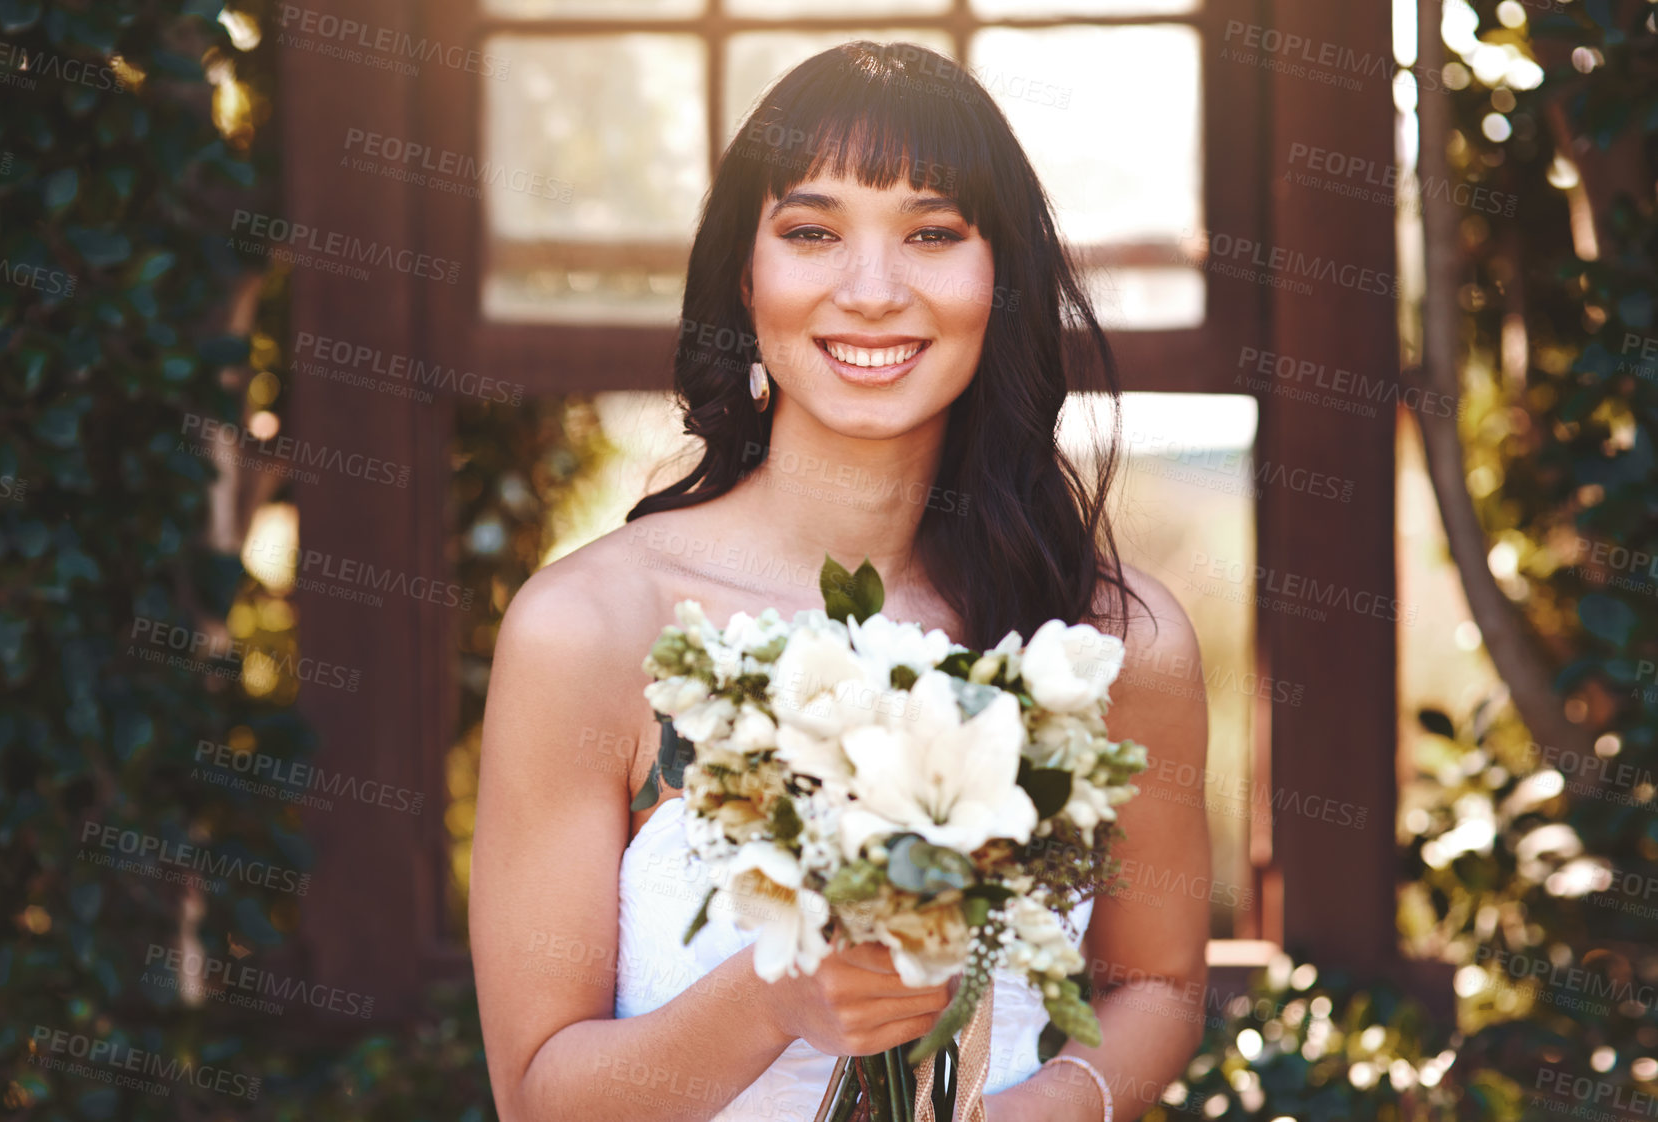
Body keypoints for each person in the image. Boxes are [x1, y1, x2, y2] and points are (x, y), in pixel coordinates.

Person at [470, 40, 1211, 1122]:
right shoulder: (587, 631)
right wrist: (779, 997)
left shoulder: (1112, 645)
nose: (872, 291)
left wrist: (1034, 1113)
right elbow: (537, 1097)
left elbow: (1158, 985)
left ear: (1000, 279)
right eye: (812, 232)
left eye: (934, 233)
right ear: (744, 274)